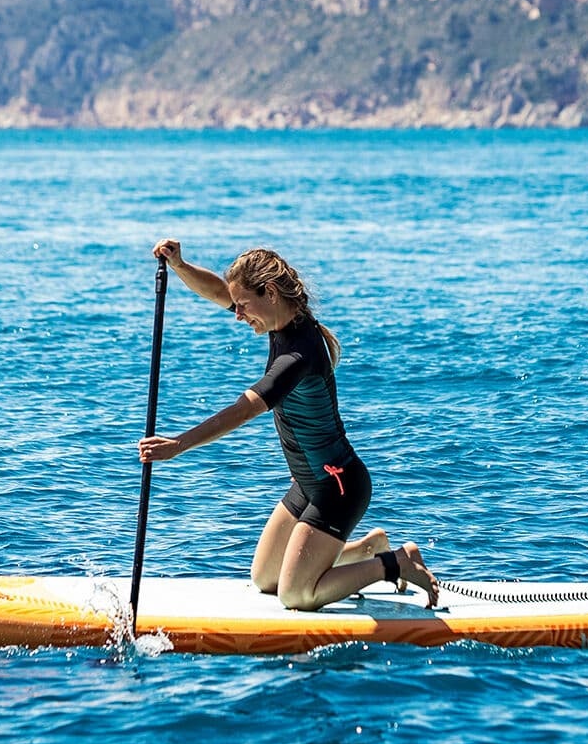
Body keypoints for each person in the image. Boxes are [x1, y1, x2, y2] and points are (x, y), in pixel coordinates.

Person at [137, 240, 439, 611]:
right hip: (309, 483)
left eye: (243, 306)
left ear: (271, 293)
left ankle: (395, 563)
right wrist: (180, 265)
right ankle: (365, 549)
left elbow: (244, 409)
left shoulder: (299, 354)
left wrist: (178, 445)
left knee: (296, 594)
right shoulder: (279, 320)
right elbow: (218, 291)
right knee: (266, 578)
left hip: (338, 489)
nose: (237, 315)